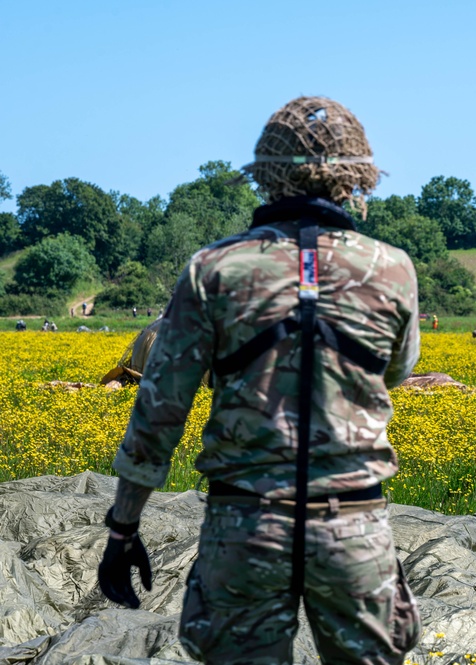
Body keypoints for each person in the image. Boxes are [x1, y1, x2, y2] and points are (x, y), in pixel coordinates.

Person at [97, 96, 421, 664]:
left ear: (265, 176)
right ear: (356, 178)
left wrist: (123, 528)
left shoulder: (214, 270)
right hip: (353, 526)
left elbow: (159, 410)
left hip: (245, 526)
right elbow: (396, 371)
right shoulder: (392, 269)